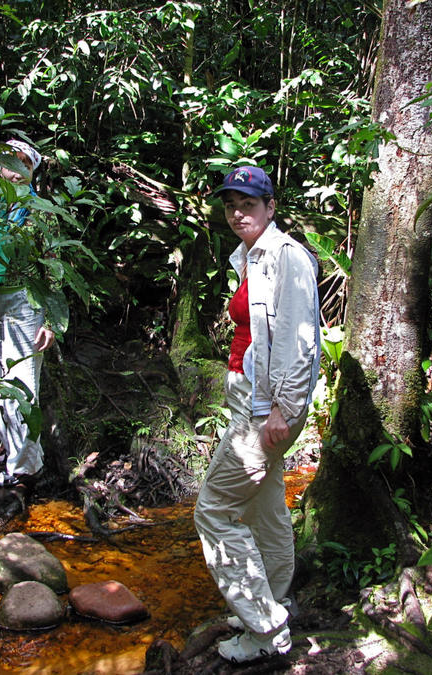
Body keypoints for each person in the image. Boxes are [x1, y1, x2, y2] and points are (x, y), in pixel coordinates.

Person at [193, 165, 321, 663]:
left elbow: (302, 343)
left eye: (247, 203)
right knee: (265, 504)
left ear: (270, 207)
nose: (237, 212)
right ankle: (276, 599)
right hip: (250, 396)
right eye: (230, 205)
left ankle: (266, 629)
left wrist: (283, 411)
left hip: (266, 408)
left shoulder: (287, 257)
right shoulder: (250, 255)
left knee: (215, 510)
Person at [0, 139, 56, 488]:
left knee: (21, 384)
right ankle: (19, 455)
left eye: (23, 164)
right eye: (9, 162)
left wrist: (50, 321)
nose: (15, 170)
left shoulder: (39, 210)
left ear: (32, 171)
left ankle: (24, 470)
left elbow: (54, 265)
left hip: (24, 301)